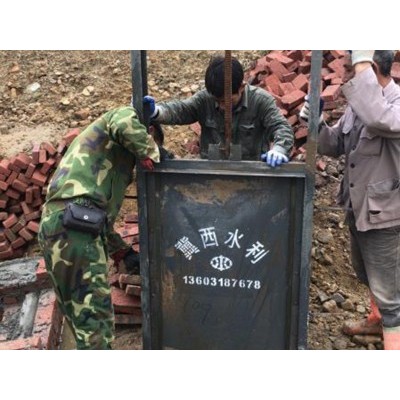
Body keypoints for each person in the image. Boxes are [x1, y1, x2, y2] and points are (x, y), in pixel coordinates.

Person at [300, 50, 400, 350]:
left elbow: (378, 119)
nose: (345, 74)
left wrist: (362, 62)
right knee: (367, 272)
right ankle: (377, 321)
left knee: (391, 296)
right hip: (360, 208)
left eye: (351, 67)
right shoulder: (359, 107)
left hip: (386, 215)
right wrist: (316, 122)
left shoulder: (393, 107)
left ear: (371, 68)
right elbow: (335, 144)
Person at [38, 106, 160, 350]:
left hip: (60, 227)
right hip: (74, 231)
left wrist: (122, 251)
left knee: (82, 321)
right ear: (148, 131)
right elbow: (122, 120)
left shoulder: (103, 159)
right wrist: (153, 152)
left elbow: (95, 218)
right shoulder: (119, 118)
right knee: (95, 327)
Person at [143, 54, 294, 167]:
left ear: (241, 87)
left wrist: (279, 149)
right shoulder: (205, 98)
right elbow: (182, 110)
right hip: (211, 175)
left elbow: (281, 127)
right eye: (217, 101)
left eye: (226, 101)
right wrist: (157, 111)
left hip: (250, 174)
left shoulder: (261, 101)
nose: (222, 106)